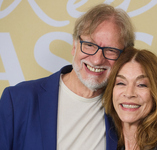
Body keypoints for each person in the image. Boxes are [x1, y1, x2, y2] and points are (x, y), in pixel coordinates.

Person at [0, 4, 134, 150]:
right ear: (75, 46)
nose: (97, 60)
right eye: (89, 45)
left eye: (110, 50)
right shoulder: (18, 100)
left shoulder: (126, 110)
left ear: (124, 57)